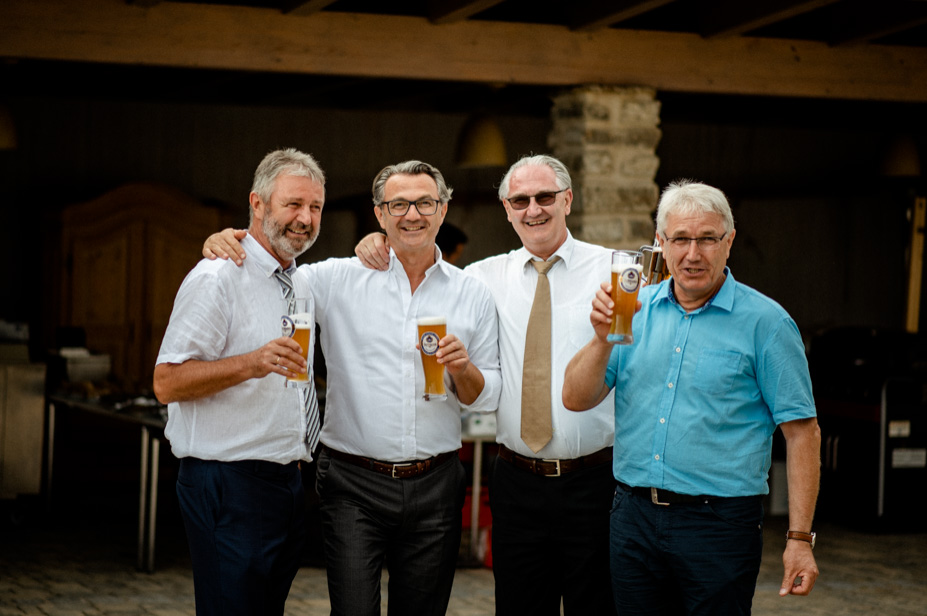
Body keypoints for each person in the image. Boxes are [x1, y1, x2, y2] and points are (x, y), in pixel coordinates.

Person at [202, 160, 502, 616]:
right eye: (398, 204)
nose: (412, 214)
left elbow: (487, 396)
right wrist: (224, 239)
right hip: (352, 483)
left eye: (424, 202)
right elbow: (270, 267)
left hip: (436, 485)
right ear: (380, 214)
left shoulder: (472, 292)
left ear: (443, 210)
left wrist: (463, 369)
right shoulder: (334, 278)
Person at [355, 155, 617, 615]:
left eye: (545, 197)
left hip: (596, 480)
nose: (533, 209)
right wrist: (378, 241)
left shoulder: (613, 270)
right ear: (506, 208)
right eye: (520, 200)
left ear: (568, 200)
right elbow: (419, 267)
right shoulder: (480, 279)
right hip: (516, 480)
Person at [562, 179, 821, 614]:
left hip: (719, 526)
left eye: (707, 239)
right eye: (680, 239)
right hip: (633, 518)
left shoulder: (767, 323)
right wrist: (601, 339)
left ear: (729, 242)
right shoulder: (632, 312)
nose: (693, 254)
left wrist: (799, 539)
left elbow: (803, 434)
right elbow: (575, 397)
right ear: (660, 243)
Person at [153, 148, 325, 615]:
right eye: (293, 204)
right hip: (228, 483)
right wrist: (252, 362)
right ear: (258, 204)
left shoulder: (300, 282)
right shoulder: (217, 277)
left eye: (315, 207)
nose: (305, 218)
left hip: (284, 481)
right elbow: (167, 382)